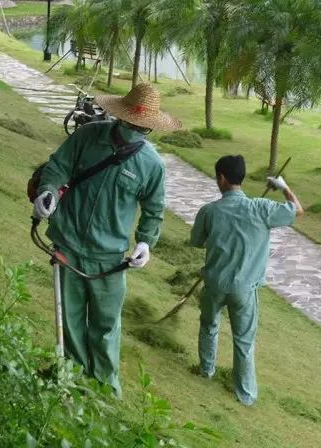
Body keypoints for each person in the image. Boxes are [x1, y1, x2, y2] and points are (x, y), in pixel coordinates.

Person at [32, 83, 181, 397]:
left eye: (143, 127)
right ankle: (70, 377)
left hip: (110, 257)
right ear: (119, 116)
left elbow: (154, 209)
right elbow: (58, 166)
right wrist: (48, 190)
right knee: (69, 317)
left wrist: (145, 243)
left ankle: (103, 389)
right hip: (68, 242)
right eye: (131, 123)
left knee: (105, 325)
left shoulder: (151, 164)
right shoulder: (87, 137)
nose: (135, 130)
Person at [190, 155, 303, 406]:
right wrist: (283, 187)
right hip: (244, 288)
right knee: (243, 340)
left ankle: (206, 371)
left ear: (221, 178)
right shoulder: (261, 208)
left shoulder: (209, 211)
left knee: (209, 326)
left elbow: (196, 242)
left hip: (214, 283)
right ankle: (246, 395)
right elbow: (297, 210)